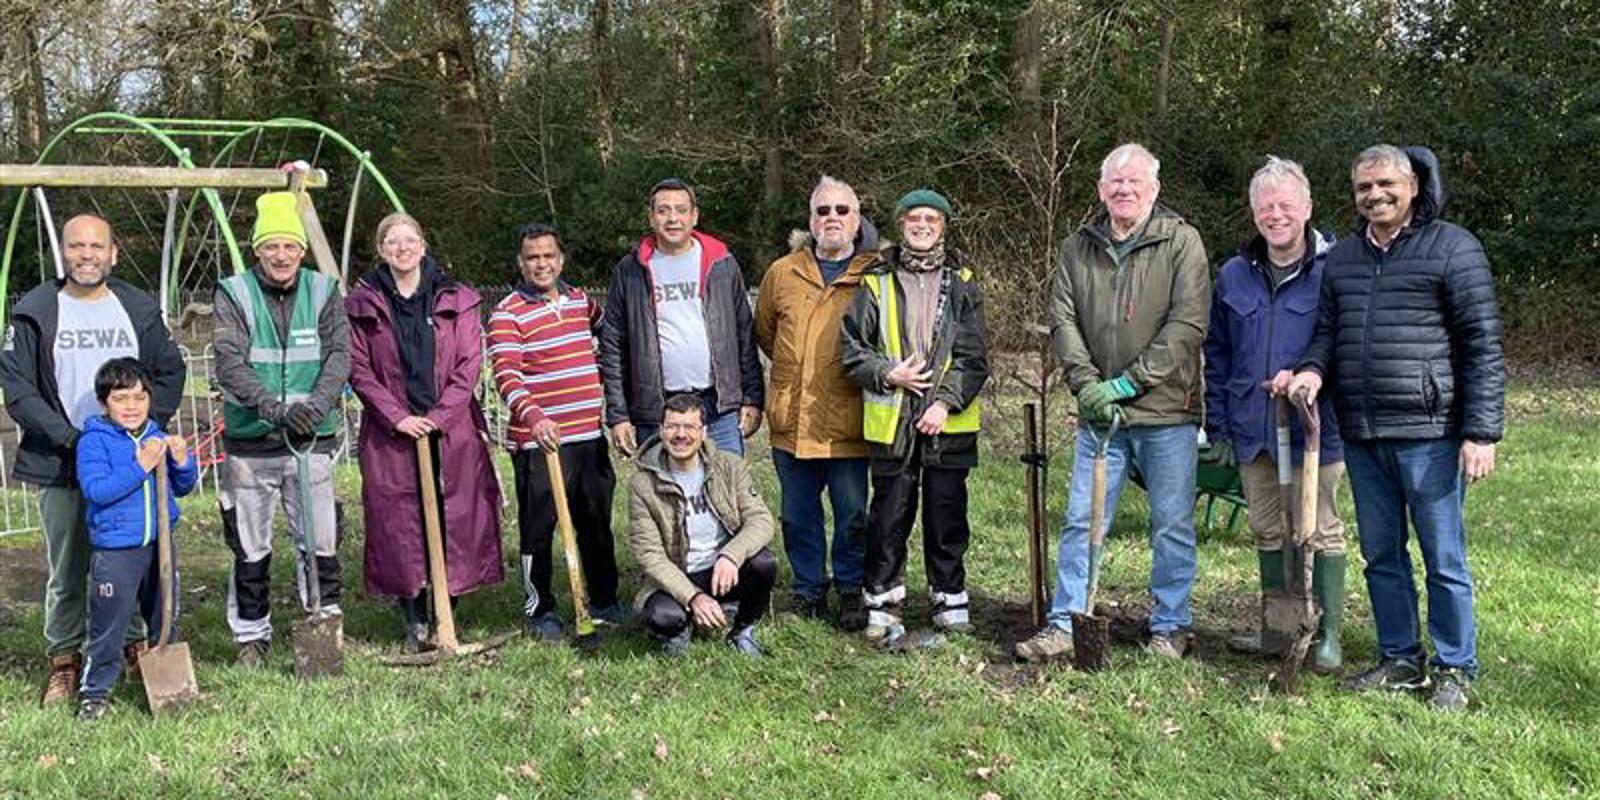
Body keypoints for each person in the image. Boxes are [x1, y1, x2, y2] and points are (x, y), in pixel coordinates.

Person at [1287, 144, 1504, 712]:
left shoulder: (1453, 247)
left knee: (1443, 557)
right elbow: (1328, 332)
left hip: (1431, 433)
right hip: (1362, 431)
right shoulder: (1345, 258)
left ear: (1412, 185)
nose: (1375, 195)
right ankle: (1400, 659)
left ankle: (1455, 667)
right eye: (1364, 188)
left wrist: (1481, 432)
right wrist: (1312, 371)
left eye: (1386, 184)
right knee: (1382, 555)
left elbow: (1482, 345)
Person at [1015, 143, 1210, 663]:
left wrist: (1127, 384)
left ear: (1155, 188)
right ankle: (1065, 621)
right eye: (1114, 183)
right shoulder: (1079, 246)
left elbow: (1188, 323)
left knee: (1170, 522)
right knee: (1083, 520)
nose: (1124, 190)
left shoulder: (1180, 242)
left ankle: (1170, 626)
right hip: (1098, 413)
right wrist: (1087, 386)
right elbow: (1063, 320)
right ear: (1101, 190)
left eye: (1135, 181)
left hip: (1166, 411)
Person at [0, 213, 185, 706]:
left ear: (113, 253)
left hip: (128, 465)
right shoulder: (37, 309)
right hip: (62, 461)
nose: (87, 254)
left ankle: (135, 644)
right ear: (64, 253)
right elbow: (18, 390)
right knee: (68, 567)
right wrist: (72, 438)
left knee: (134, 559)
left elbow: (170, 370)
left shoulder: (136, 307)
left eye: (96, 246)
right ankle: (65, 659)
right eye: (77, 246)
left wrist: (145, 430)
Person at [1203, 156, 1347, 672]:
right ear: (1253, 212)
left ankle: (1326, 633)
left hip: (1315, 427)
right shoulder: (1234, 276)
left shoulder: (1333, 271)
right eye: (1266, 207)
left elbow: (1344, 345)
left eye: (1286, 205)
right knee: (1267, 529)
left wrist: (1308, 380)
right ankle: (1278, 627)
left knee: (1318, 528)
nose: (1276, 215)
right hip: (1253, 425)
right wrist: (1217, 422)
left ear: (1306, 208)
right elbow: (1217, 353)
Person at [346, 213, 504, 653]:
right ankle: (414, 614)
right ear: (380, 250)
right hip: (391, 432)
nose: (402, 248)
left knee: (460, 513)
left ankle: (447, 609)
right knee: (398, 519)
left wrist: (440, 415)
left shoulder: (458, 299)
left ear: (423, 244)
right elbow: (359, 369)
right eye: (392, 242)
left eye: (409, 240)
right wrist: (397, 416)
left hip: (451, 429)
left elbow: (469, 364)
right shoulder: (362, 304)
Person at [839, 189, 989, 647]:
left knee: (947, 516)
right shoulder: (875, 281)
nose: (922, 226)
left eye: (932, 219)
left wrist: (944, 403)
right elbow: (851, 351)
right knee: (889, 517)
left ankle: (949, 599)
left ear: (943, 227)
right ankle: (882, 604)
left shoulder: (964, 282)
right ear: (900, 225)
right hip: (893, 422)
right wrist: (889, 374)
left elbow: (973, 357)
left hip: (949, 423)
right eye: (913, 219)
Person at [212, 190, 351, 668]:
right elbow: (229, 361)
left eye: (290, 246)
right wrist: (272, 408)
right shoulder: (233, 293)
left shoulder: (323, 290)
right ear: (257, 250)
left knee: (320, 538)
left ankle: (325, 621)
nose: (281, 255)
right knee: (250, 545)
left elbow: (339, 354)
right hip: (252, 442)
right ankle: (251, 635)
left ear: (302, 250)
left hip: (311, 438)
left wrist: (316, 405)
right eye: (271, 246)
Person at [487, 222, 623, 642]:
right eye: (532, 257)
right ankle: (540, 608)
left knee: (596, 522)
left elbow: (611, 339)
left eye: (548, 256)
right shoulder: (507, 312)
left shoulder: (582, 302)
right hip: (540, 443)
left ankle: (603, 600)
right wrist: (535, 417)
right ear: (521, 263)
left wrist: (603, 375)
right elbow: (506, 374)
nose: (541, 264)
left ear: (560, 259)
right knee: (538, 528)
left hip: (588, 436)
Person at [754, 176, 877, 628]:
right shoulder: (782, 272)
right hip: (793, 420)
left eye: (841, 211)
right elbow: (766, 333)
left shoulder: (874, 275)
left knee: (852, 515)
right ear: (810, 220)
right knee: (797, 515)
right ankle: (807, 590)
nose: (832, 219)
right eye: (823, 211)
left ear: (856, 220)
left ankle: (850, 589)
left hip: (848, 420)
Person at [72, 358, 199, 721]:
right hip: (117, 552)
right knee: (109, 627)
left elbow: (184, 487)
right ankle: (94, 693)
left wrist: (182, 460)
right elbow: (98, 490)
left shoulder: (156, 435)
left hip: (160, 545)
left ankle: (169, 687)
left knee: (165, 618)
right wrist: (140, 465)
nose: (132, 407)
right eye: (121, 398)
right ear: (103, 403)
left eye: (140, 398)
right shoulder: (94, 441)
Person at [600, 178, 763, 457]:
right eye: (663, 210)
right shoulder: (630, 270)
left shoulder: (722, 263)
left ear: (694, 215)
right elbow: (612, 345)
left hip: (718, 407)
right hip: (656, 410)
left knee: (724, 494)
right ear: (651, 217)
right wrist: (618, 415)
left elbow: (744, 334)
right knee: (661, 497)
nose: (673, 218)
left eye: (681, 210)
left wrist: (752, 398)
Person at [628, 393, 777, 657]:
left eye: (689, 427)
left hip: (722, 570)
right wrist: (693, 596)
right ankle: (681, 627)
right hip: (677, 575)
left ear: (703, 431)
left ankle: (742, 630)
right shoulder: (643, 484)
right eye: (673, 426)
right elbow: (648, 554)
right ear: (661, 430)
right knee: (663, 616)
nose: (680, 435)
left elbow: (761, 520)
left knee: (764, 563)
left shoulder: (728, 466)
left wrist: (731, 556)